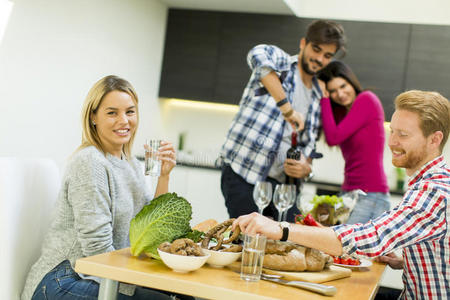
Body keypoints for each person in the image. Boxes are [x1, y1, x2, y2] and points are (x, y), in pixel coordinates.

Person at [233, 90, 450, 299]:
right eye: (392, 130)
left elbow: (372, 237)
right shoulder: (431, 181)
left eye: (403, 134)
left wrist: (280, 229)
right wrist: (405, 261)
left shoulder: (434, 190)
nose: (392, 141)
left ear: (434, 140)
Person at [22, 75, 192, 300]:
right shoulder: (89, 162)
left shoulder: (131, 164)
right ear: (93, 117)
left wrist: (164, 176)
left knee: (184, 296)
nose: (124, 121)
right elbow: (97, 249)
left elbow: (153, 231)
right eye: (112, 113)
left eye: (130, 112)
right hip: (65, 280)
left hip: (101, 275)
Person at [219, 20, 346, 222]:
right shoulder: (281, 62)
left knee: (287, 246)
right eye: (316, 49)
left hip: (283, 188)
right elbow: (256, 55)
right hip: (245, 175)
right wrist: (287, 109)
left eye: (327, 55)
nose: (320, 59)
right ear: (303, 43)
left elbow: (309, 144)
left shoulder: (317, 94)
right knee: (249, 241)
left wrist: (307, 167)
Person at [317, 61, 390, 224]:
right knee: (332, 242)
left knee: (345, 245)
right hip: (348, 193)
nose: (340, 94)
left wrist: (324, 98)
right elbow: (331, 135)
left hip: (371, 195)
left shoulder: (367, 99)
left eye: (343, 86)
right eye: (333, 91)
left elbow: (332, 138)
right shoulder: (342, 114)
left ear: (351, 82)